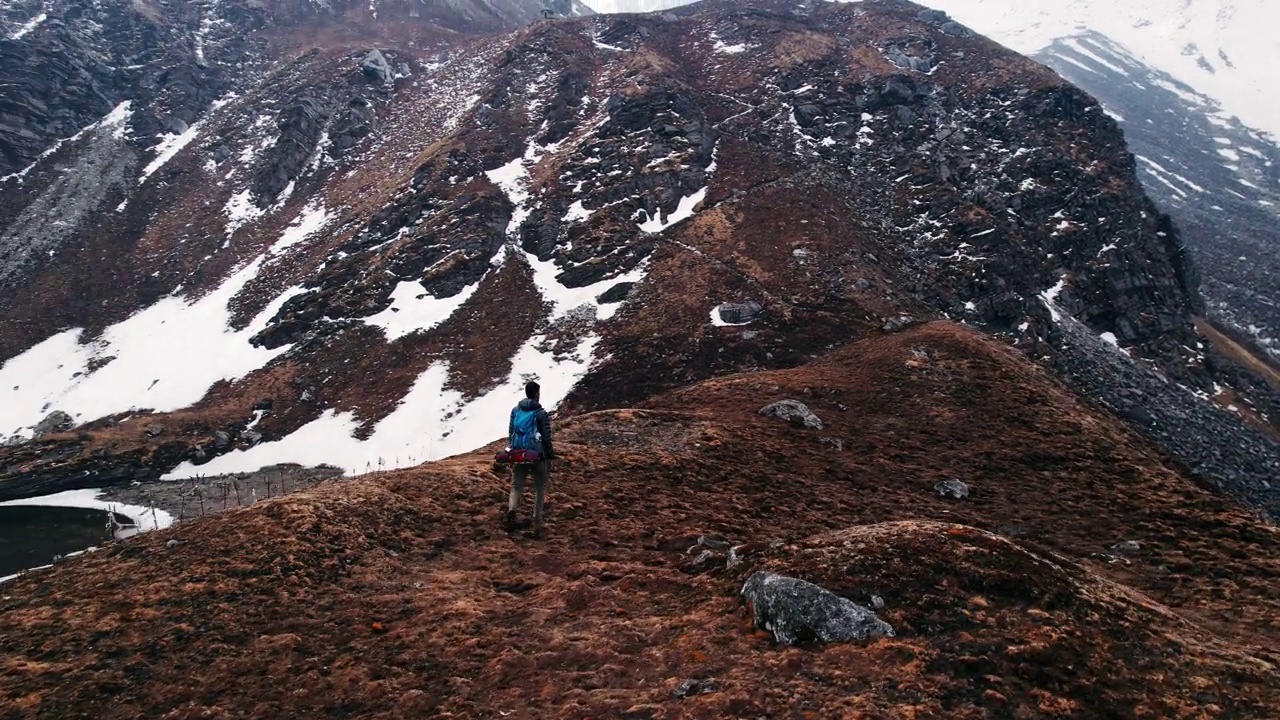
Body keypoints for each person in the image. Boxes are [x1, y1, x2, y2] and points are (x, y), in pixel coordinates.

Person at [505, 380, 554, 536]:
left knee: (516, 485)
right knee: (539, 487)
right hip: (537, 455)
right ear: (537, 394)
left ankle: (512, 510)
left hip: (519, 453)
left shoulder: (515, 410)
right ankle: (537, 519)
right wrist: (549, 454)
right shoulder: (541, 413)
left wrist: (513, 449)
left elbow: (511, 431)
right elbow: (546, 437)